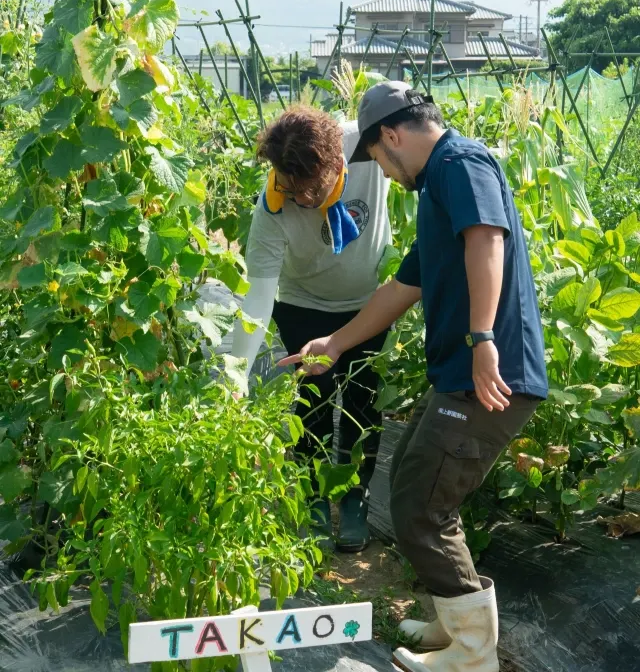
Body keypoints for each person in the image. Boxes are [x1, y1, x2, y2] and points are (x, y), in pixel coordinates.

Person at [279, 82, 548, 672]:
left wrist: (481, 340)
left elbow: (487, 239)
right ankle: (456, 623)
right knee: (410, 481)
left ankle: (473, 654)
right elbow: (404, 288)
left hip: (490, 374)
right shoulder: (435, 189)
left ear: (393, 136)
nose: (378, 167)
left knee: (422, 506)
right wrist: (334, 342)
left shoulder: (461, 162)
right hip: (463, 371)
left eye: (374, 154)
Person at [225, 104, 392, 552]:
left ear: (336, 163)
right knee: (313, 407)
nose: (299, 200)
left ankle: (355, 494)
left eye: (309, 191)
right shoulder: (271, 210)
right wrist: (236, 373)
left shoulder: (367, 144)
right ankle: (315, 496)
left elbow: (421, 141)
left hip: (369, 305)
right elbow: (258, 298)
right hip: (303, 305)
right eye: (290, 189)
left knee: (364, 401)